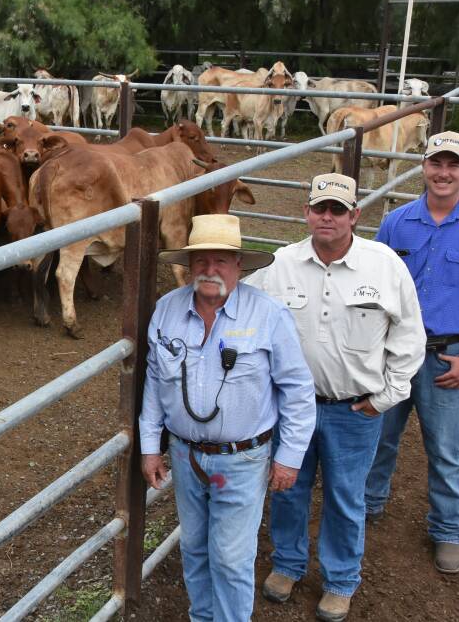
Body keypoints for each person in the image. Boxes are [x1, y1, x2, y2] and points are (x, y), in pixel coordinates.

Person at [246, 173, 425, 622]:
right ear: (305, 212)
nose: (328, 217)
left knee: (347, 496)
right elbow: (251, 324)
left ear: (354, 216)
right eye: (319, 208)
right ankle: (287, 564)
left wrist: (386, 396)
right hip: (293, 407)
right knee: (288, 488)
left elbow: (409, 336)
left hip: (353, 407)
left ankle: (341, 580)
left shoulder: (384, 265)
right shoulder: (278, 264)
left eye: (337, 210)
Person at [140, 214, 316, 622]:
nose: (210, 269)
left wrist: (289, 457)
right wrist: (151, 448)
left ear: (240, 266)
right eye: (201, 260)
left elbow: (297, 389)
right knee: (195, 547)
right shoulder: (166, 311)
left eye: (221, 260)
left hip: (243, 458)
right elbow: (154, 383)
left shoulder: (268, 314)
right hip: (185, 456)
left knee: (232, 557)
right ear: (189, 264)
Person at [364, 131, 459, 574]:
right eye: (435, 163)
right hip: (394, 351)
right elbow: (376, 289)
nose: (443, 173)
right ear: (423, 166)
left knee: (445, 447)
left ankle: (447, 530)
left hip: (447, 355)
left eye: (453, 165)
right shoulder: (397, 223)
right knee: (380, 435)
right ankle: (369, 505)